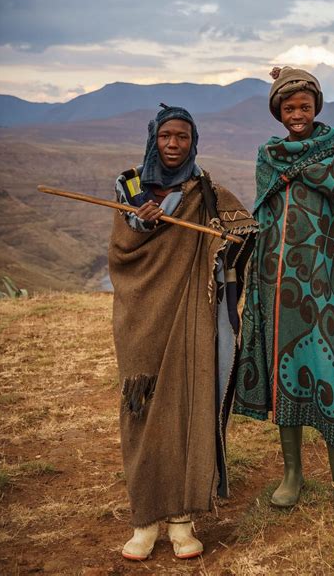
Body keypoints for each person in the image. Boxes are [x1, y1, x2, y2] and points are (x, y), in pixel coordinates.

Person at [109, 104, 257, 560]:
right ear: (154, 138)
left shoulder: (205, 190)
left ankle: (182, 520)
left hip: (192, 313)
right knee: (142, 408)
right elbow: (122, 250)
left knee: (187, 403)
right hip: (140, 316)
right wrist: (142, 222)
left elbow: (247, 230)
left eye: (183, 137)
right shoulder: (129, 185)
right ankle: (144, 520)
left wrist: (228, 239)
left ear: (194, 142)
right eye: (166, 136)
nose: (174, 145)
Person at [234, 67, 334, 521]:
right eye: (289, 107)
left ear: (317, 107)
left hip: (333, 281)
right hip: (280, 284)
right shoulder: (268, 155)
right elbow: (266, 216)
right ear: (278, 112)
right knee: (288, 373)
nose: (297, 114)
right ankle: (292, 475)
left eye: (305, 106)